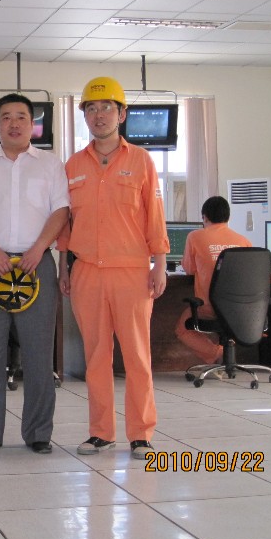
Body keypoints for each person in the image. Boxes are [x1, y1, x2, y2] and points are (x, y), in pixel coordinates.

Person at [57, 76, 169, 460]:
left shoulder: (141, 161)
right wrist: (64, 267)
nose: (99, 114)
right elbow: (65, 223)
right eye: (91, 108)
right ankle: (101, 433)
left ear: (121, 114)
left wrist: (160, 263)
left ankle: (141, 434)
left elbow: (155, 216)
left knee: (137, 356)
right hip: (86, 271)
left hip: (131, 272)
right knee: (96, 357)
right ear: (84, 116)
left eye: (106, 107)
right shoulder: (73, 165)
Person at [0, 93, 69, 455]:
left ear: (32, 124)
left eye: (21, 116)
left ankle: (38, 433)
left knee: (39, 355)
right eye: (6, 117)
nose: (14, 123)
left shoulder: (51, 165)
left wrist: (39, 248)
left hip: (36, 264)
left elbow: (60, 211)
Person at [175, 196, 251, 364]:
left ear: (205, 217)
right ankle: (225, 358)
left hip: (208, 307)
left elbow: (189, 269)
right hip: (241, 309)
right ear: (228, 217)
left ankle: (218, 353)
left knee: (182, 329)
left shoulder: (195, 237)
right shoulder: (243, 241)